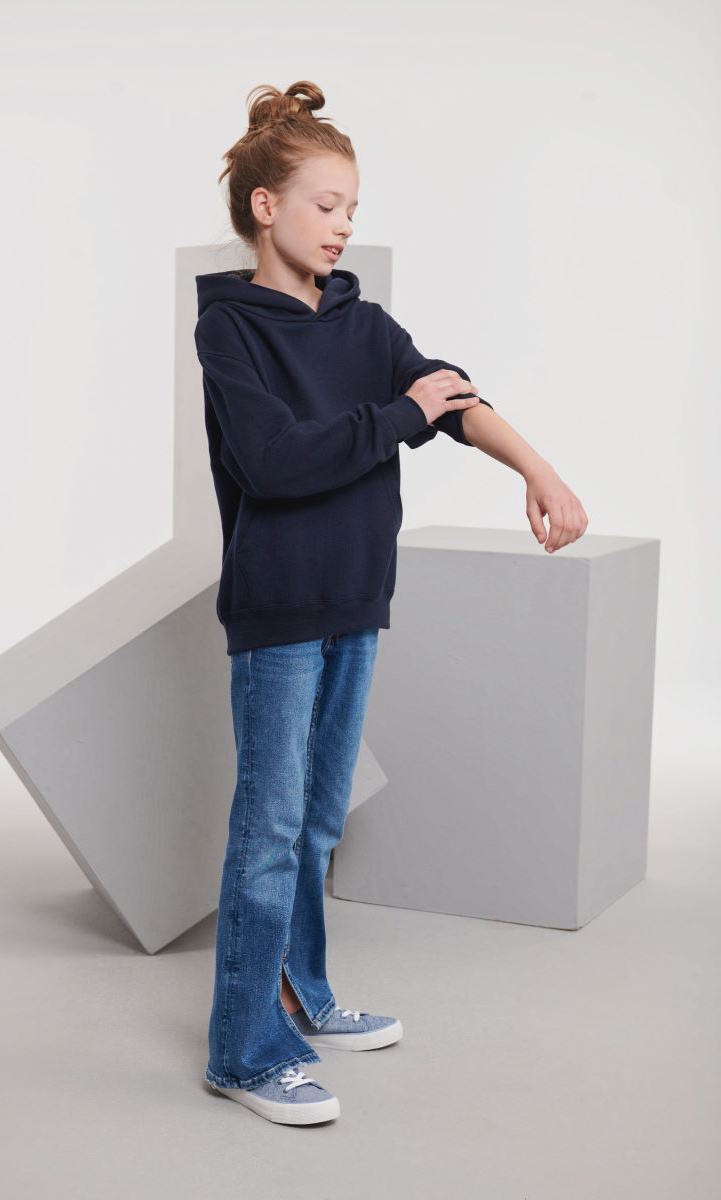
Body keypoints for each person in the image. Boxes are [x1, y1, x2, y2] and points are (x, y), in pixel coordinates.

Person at [196, 80, 588, 1126]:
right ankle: (241, 1052)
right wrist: (398, 417)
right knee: (269, 830)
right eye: (326, 205)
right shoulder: (229, 328)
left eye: (352, 209)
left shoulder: (364, 324)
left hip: (357, 601)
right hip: (279, 610)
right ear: (267, 206)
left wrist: (537, 470)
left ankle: (302, 996)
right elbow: (274, 463)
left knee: (318, 821)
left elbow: (450, 395)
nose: (342, 226)